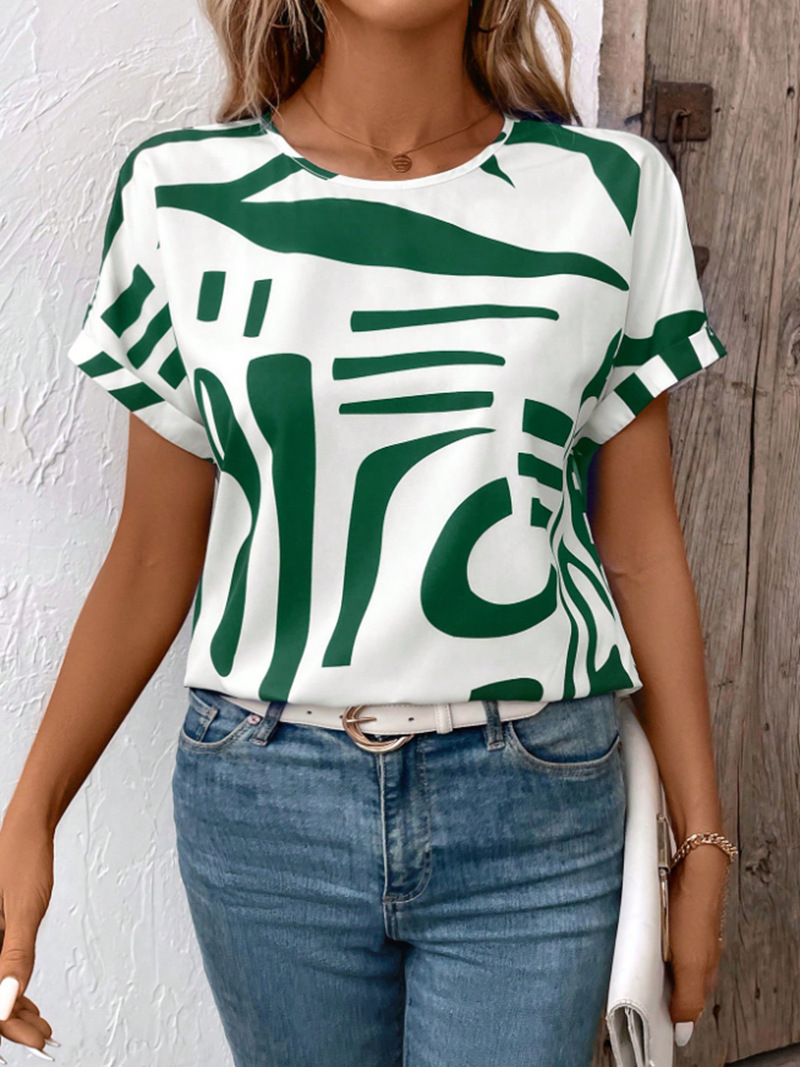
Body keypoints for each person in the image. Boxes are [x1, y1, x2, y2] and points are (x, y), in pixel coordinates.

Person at [0, 0, 737, 1064]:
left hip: (533, 801)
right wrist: (30, 813)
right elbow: (153, 554)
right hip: (267, 807)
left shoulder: (609, 193)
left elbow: (639, 546)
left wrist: (701, 836)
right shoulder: (178, 195)